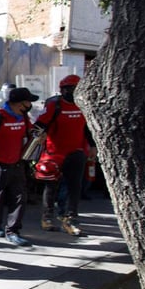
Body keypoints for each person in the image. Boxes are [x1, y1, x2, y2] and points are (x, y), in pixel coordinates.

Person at [33, 74, 96, 236]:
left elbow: (87, 129)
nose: (72, 92)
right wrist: (36, 136)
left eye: (75, 89)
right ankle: (47, 218)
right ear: (63, 90)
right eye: (69, 89)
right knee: (51, 186)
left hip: (77, 152)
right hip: (54, 153)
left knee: (75, 187)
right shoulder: (55, 105)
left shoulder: (83, 105)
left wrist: (93, 147)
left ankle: (70, 219)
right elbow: (39, 124)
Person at [0, 87, 38, 246]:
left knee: (19, 198)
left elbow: (31, 131)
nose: (30, 104)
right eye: (28, 101)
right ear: (20, 103)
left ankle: (13, 231)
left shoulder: (23, 118)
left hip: (16, 164)